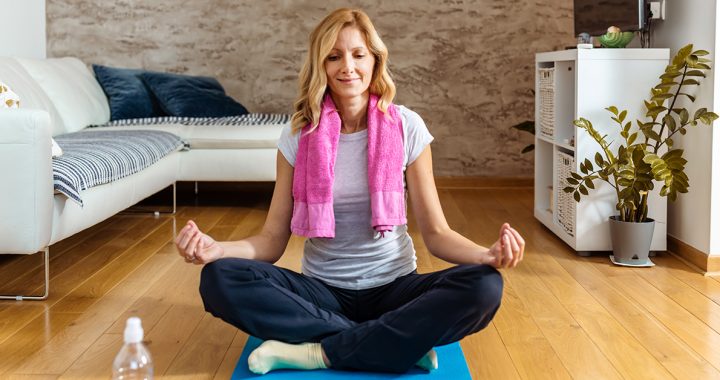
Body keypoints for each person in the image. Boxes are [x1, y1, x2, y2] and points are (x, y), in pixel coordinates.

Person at [174, 7, 525, 375]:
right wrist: (218, 249)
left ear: (375, 59)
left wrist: (485, 255)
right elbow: (273, 240)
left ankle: (316, 352)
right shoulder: (297, 135)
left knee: (484, 286)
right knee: (219, 278)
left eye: (358, 55)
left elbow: (437, 235)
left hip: (394, 291)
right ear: (320, 65)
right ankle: (394, 344)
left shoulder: (407, 126)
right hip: (322, 294)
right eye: (334, 56)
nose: (348, 67)